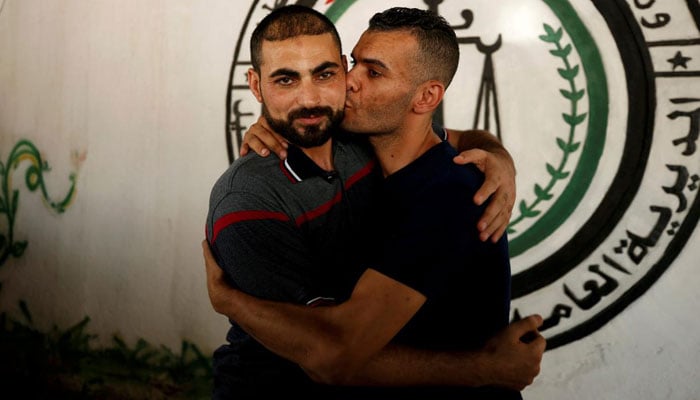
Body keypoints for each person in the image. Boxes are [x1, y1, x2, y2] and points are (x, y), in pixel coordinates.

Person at [204, 5, 544, 399]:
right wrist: (281, 115)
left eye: (374, 72)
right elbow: (460, 136)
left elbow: (336, 355)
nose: (349, 82)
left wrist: (230, 301)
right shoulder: (359, 149)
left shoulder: (447, 197)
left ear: (426, 96)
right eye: (354, 64)